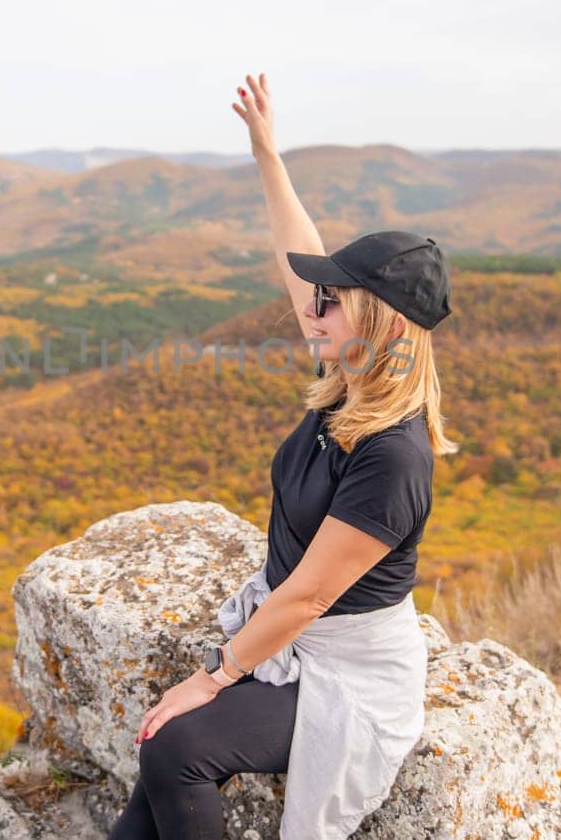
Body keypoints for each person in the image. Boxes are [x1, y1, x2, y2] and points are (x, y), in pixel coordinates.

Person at [107, 73, 458, 840]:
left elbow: (306, 601)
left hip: (350, 667)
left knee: (179, 747)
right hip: (298, 633)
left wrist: (214, 678)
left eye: (332, 301)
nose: (313, 310)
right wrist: (268, 153)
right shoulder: (342, 380)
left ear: (377, 321)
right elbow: (300, 252)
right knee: (155, 769)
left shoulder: (393, 456)